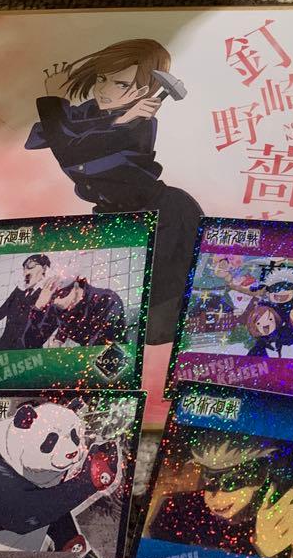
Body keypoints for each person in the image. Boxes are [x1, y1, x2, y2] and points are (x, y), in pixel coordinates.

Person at [24, 38, 202, 346]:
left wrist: (60, 107)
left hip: (164, 217)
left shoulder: (140, 125)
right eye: (102, 79)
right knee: (126, 317)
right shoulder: (93, 114)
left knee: (166, 318)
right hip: (115, 219)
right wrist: (104, 118)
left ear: (143, 91)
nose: (104, 90)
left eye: (120, 84)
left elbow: (72, 154)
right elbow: (38, 138)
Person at [148, 436, 293, 558]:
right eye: (209, 483)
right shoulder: (177, 509)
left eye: (231, 483)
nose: (216, 496)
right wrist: (261, 550)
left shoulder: (280, 514)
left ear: (258, 479)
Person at [0, 253, 52, 351]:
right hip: (2, 347)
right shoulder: (18, 292)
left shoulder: (49, 294)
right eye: (24, 268)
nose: (25, 272)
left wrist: (37, 308)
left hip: (26, 351)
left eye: (30, 266)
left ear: (44, 269)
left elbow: (43, 332)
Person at [29, 275, 127, 347]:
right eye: (51, 298)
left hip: (113, 354)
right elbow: (32, 340)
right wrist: (38, 308)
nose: (56, 301)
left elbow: (103, 338)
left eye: (60, 295)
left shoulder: (107, 299)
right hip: (88, 355)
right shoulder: (59, 307)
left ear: (75, 287)